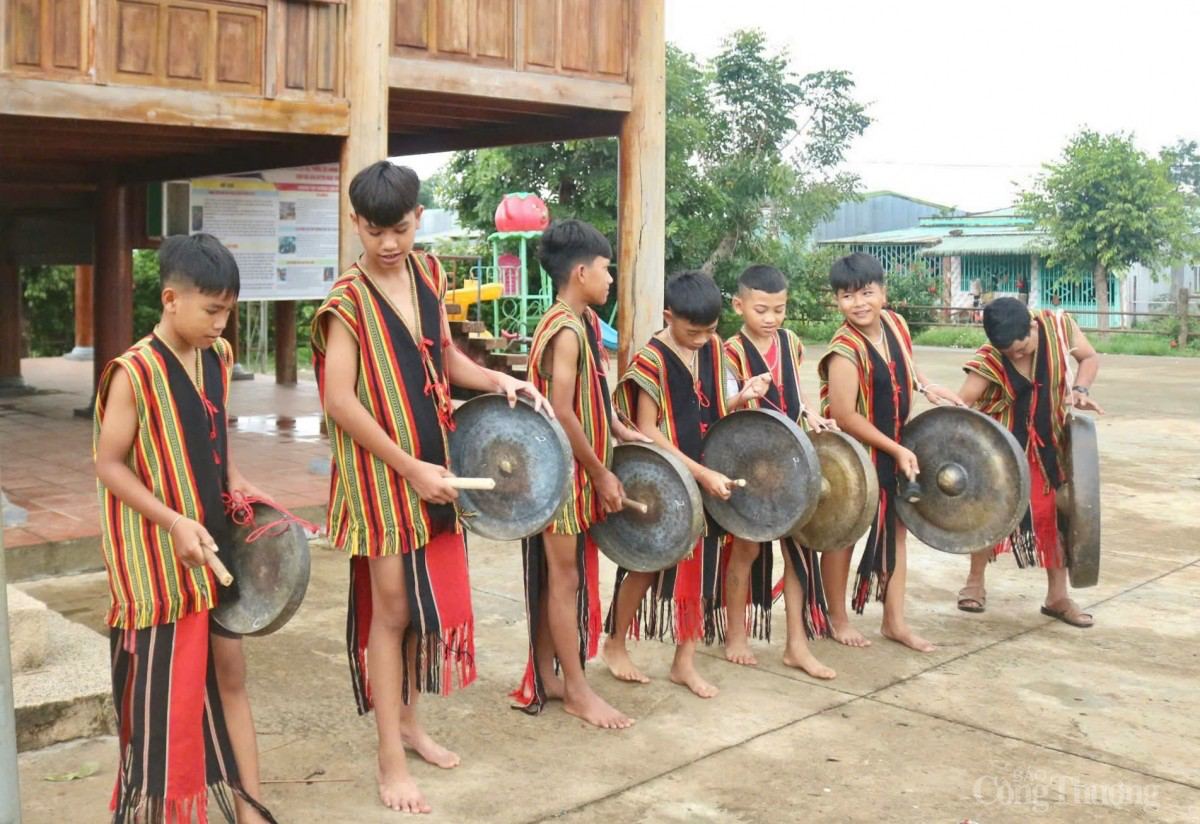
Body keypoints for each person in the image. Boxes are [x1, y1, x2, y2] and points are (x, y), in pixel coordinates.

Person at [311, 160, 547, 814]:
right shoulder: (345, 303)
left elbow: (441, 355)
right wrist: (407, 467)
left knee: (418, 609)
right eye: (376, 230)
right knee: (390, 613)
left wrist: (499, 380)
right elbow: (338, 402)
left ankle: (410, 723)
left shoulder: (430, 273)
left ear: (418, 218)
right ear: (355, 223)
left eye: (401, 228)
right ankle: (389, 756)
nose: (389, 244)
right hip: (381, 477)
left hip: (435, 462)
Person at [94, 233, 275, 823]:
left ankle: (251, 808)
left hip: (214, 545)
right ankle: (157, 810)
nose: (222, 324)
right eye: (211, 310)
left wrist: (238, 478)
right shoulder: (133, 373)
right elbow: (107, 463)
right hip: (160, 563)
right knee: (162, 703)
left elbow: (212, 437)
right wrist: (173, 520)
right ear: (171, 299)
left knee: (232, 677)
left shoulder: (216, 358)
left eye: (228, 310)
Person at [603, 270, 767, 698]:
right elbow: (646, 428)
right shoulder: (651, 360)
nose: (701, 339)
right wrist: (698, 473)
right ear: (668, 316)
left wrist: (742, 396)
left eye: (710, 330)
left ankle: (684, 662)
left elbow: (710, 404)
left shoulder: (713, 347)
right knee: (646, 564)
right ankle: (615, 644)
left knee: (703, 570)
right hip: (667, 482)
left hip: (708, 476)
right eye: (692, 331)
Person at [511, 219, 647, 729]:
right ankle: (577, 690)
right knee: (564, 579)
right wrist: (600, 474)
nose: (611, 280)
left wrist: (618, 428)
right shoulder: (564, 328)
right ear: (582, 271)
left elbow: (594, 393)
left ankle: (552, 677)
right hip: (560, 471)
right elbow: (562, 412)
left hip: (574, 466)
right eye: (607, 271)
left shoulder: (584, 320)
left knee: (560, 579)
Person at [818, 252, 965, 653]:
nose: (859, 303)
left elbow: (908, 368)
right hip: (855, 456)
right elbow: (846, 415)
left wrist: (927, 386)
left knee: (896, 532)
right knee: (844, 532)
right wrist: (895, 449)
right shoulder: (843, 350)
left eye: (867, 292)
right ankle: (837, 618)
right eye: (848, 296)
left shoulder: (895, 325)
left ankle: (893, 621)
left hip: (897, 446)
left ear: (883, 292)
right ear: (837, 302)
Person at [955, 297, 1104, 627]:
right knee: (989, 512)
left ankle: (1057, 597)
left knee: (1054, 513)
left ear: (1033, 327)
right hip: (1000, 453)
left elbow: (1089, 357)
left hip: (1047, 445)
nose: (1017, 356)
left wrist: (1080, 388)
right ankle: (975, 582)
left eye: (1022, 349)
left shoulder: (1060, 327)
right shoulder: (992, 356)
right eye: (1010, 353)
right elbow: (962, 404)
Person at [723, 264, 838, 679]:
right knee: (746, 549)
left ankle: (796, 645)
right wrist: (743, 396)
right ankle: (736, 634)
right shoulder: (729, 351)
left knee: (799, 552)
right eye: (761, 310)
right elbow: (722, 407)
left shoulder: (790, 342)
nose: (771, 319)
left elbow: (796, 390)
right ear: (739, 306)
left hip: (792, 458)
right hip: (748, 463)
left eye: (779, 309)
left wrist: (811, 414)